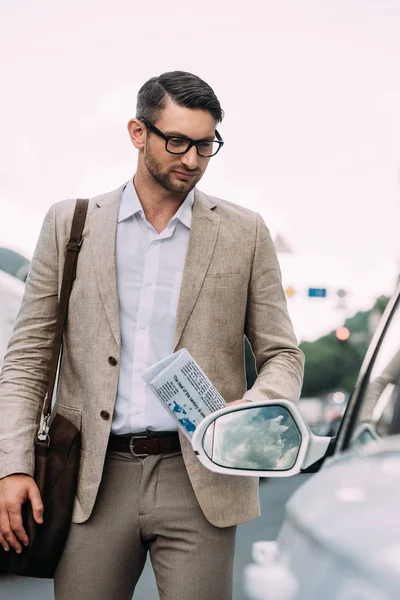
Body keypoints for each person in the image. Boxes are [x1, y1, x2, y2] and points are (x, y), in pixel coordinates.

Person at [0, 71, 304, 600]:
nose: (192, 159)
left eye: (205, 145)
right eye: (178, 141)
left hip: (201, 478)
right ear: (138, 133)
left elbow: (282, 353)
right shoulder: (69, 225)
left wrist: (254, 408)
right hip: (92, 479)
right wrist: (11, 467)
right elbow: (27, 361)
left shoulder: (245, 231)